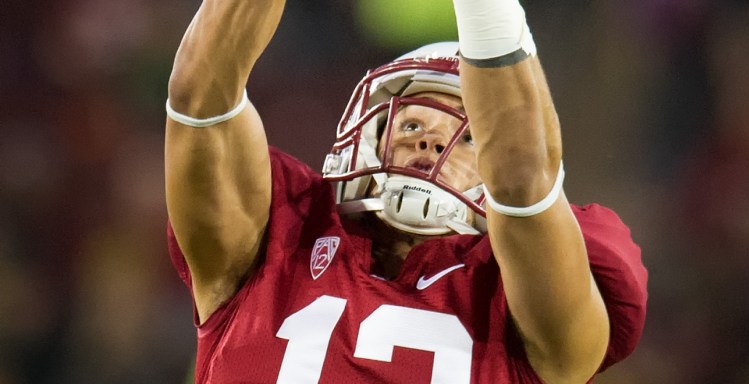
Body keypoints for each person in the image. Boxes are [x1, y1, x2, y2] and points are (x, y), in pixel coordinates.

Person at [164, 0, 647, 383]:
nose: (429, 140)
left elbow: (525, 182)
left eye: (470, 136)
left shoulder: (532, 309)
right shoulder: (273, 235)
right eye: (411, 121)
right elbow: (200, 99)